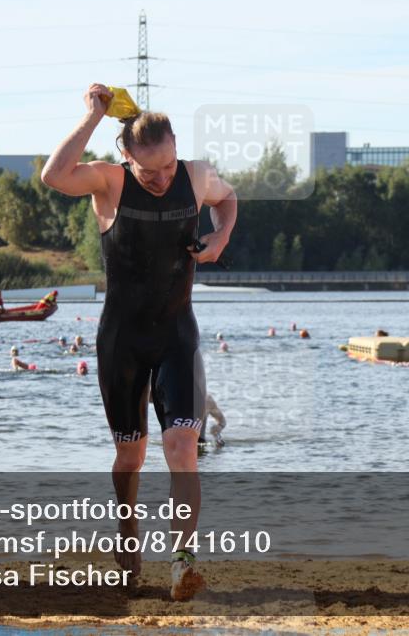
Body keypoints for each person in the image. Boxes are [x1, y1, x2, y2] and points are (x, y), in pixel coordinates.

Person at [40, 84, 237, 601]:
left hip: (177, 337)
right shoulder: (108, 182)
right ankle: (128, 542)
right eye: (150, 172)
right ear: (126, 158)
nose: (162, 179)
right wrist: (92, 117)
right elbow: (54, 175)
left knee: (182, 449)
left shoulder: (195, 176)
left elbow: (228, 199)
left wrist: (219, 237)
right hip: (122, 342)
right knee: (131, 457)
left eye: (169, 166)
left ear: (177, 148)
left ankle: (182, 563)